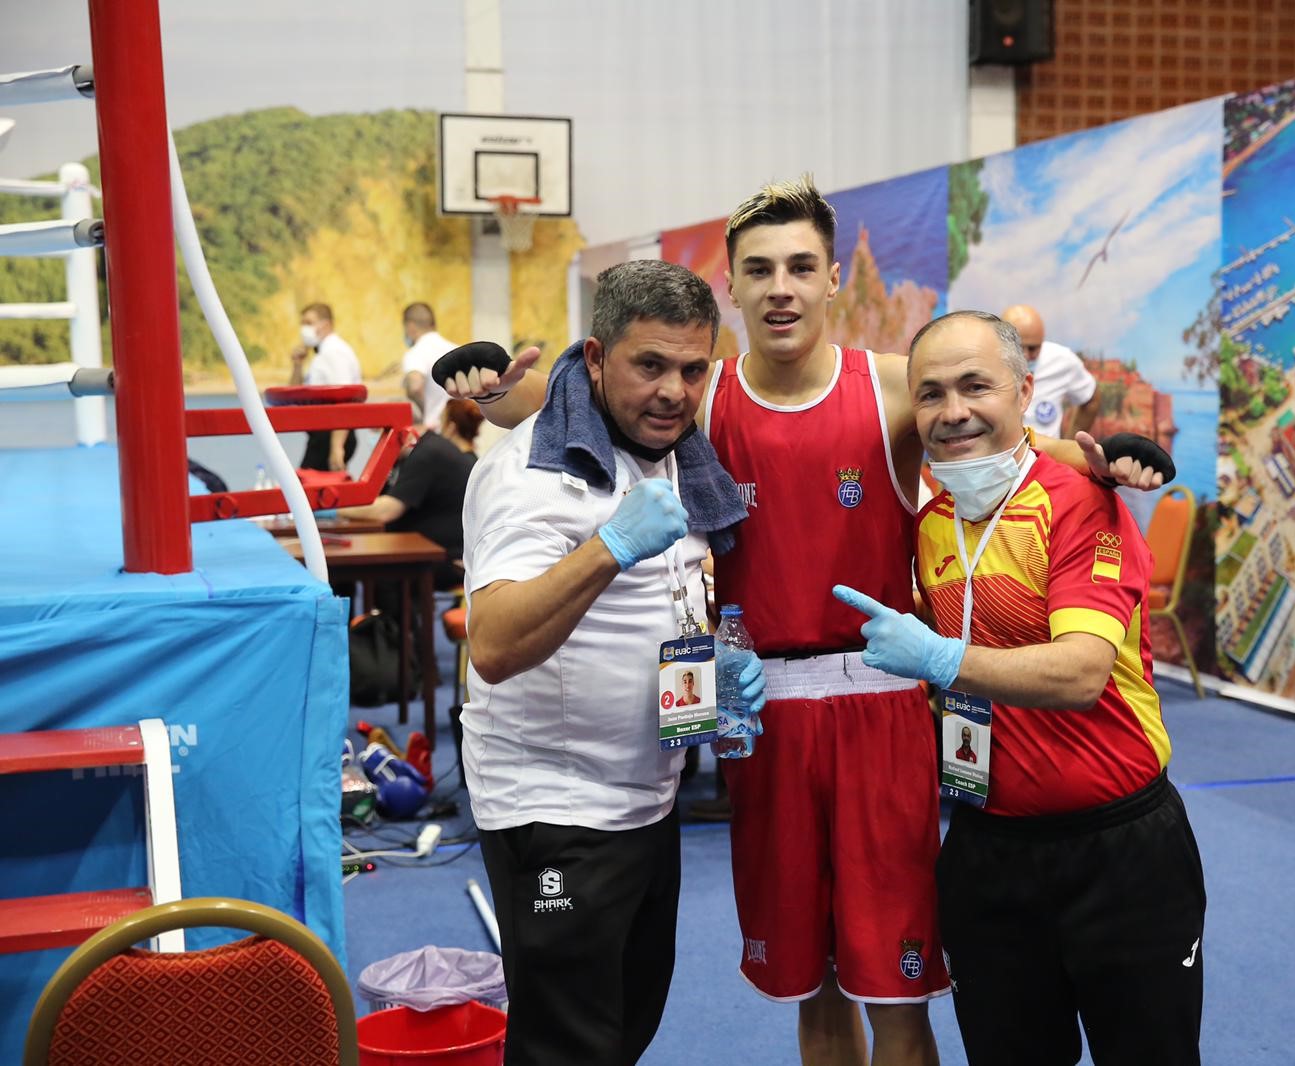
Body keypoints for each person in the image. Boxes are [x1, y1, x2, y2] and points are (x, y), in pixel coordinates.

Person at [446, 176, 1171, 1066]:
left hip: (883, 711)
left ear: (833, 278)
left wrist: (1106, 461)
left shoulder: (893, 387)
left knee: (896, 990)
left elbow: (998, 430)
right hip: (760, 723)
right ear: (734, 287)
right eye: (759, 270)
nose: (780, 288)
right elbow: (578, 396)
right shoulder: (703, 393)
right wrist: (489, 388)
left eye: (799, 267)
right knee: (809, 984)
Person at [834, 310, 1206, 1066]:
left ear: (1026, 392)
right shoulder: (931, 523)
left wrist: (940, 659)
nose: (954, 411)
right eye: (931, 394)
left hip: (1120, 851)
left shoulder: (1080, 501)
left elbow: (1081, 672)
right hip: (986, 851)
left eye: (976, 386)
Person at [458, 259, 763, 1066]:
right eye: (649, 365)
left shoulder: (681, 455)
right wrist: (608, 548)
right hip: (555, 808)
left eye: (692, 370)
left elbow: (668, 602)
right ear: (595, 358)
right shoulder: (529, 475)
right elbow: (494, 645)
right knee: (568, 1045)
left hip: (646, 799)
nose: (672, 391)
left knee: (625, 1027)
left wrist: (719, 670)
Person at [339, 401, 477, 589]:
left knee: (376, 575)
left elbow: (386, 511)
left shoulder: (428, 453)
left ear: (401, 429)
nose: (378, 443)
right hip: (424, 548)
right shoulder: (414, 452)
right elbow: (378, 497)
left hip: (445, 557)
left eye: (381, 435)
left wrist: (335, 509)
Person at [1001, 304, 1100, 438]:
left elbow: (1090, 398)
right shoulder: (985, 360)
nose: (1025, 355)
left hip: (1045, 449)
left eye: (1033, 348)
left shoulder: (1062, 360)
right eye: (1017, 347)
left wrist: (1069, 444)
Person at [288, 302, 363, 471]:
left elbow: (345, 398)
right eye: (302, 323)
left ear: (326, 325)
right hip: (321, 435)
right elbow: (293, 396)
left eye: (309, 323)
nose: (304, 329)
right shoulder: (321, 354)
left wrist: (337, 447)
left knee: (304, 484)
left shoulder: (334, 352)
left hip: (332, 435)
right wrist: (298, 365)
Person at [401, 302, 457, 431]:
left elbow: (415, 386)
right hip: (460, 430)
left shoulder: (416, 352)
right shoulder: (456, 349)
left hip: (434, 429)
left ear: (410, 326)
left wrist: (423, 416)